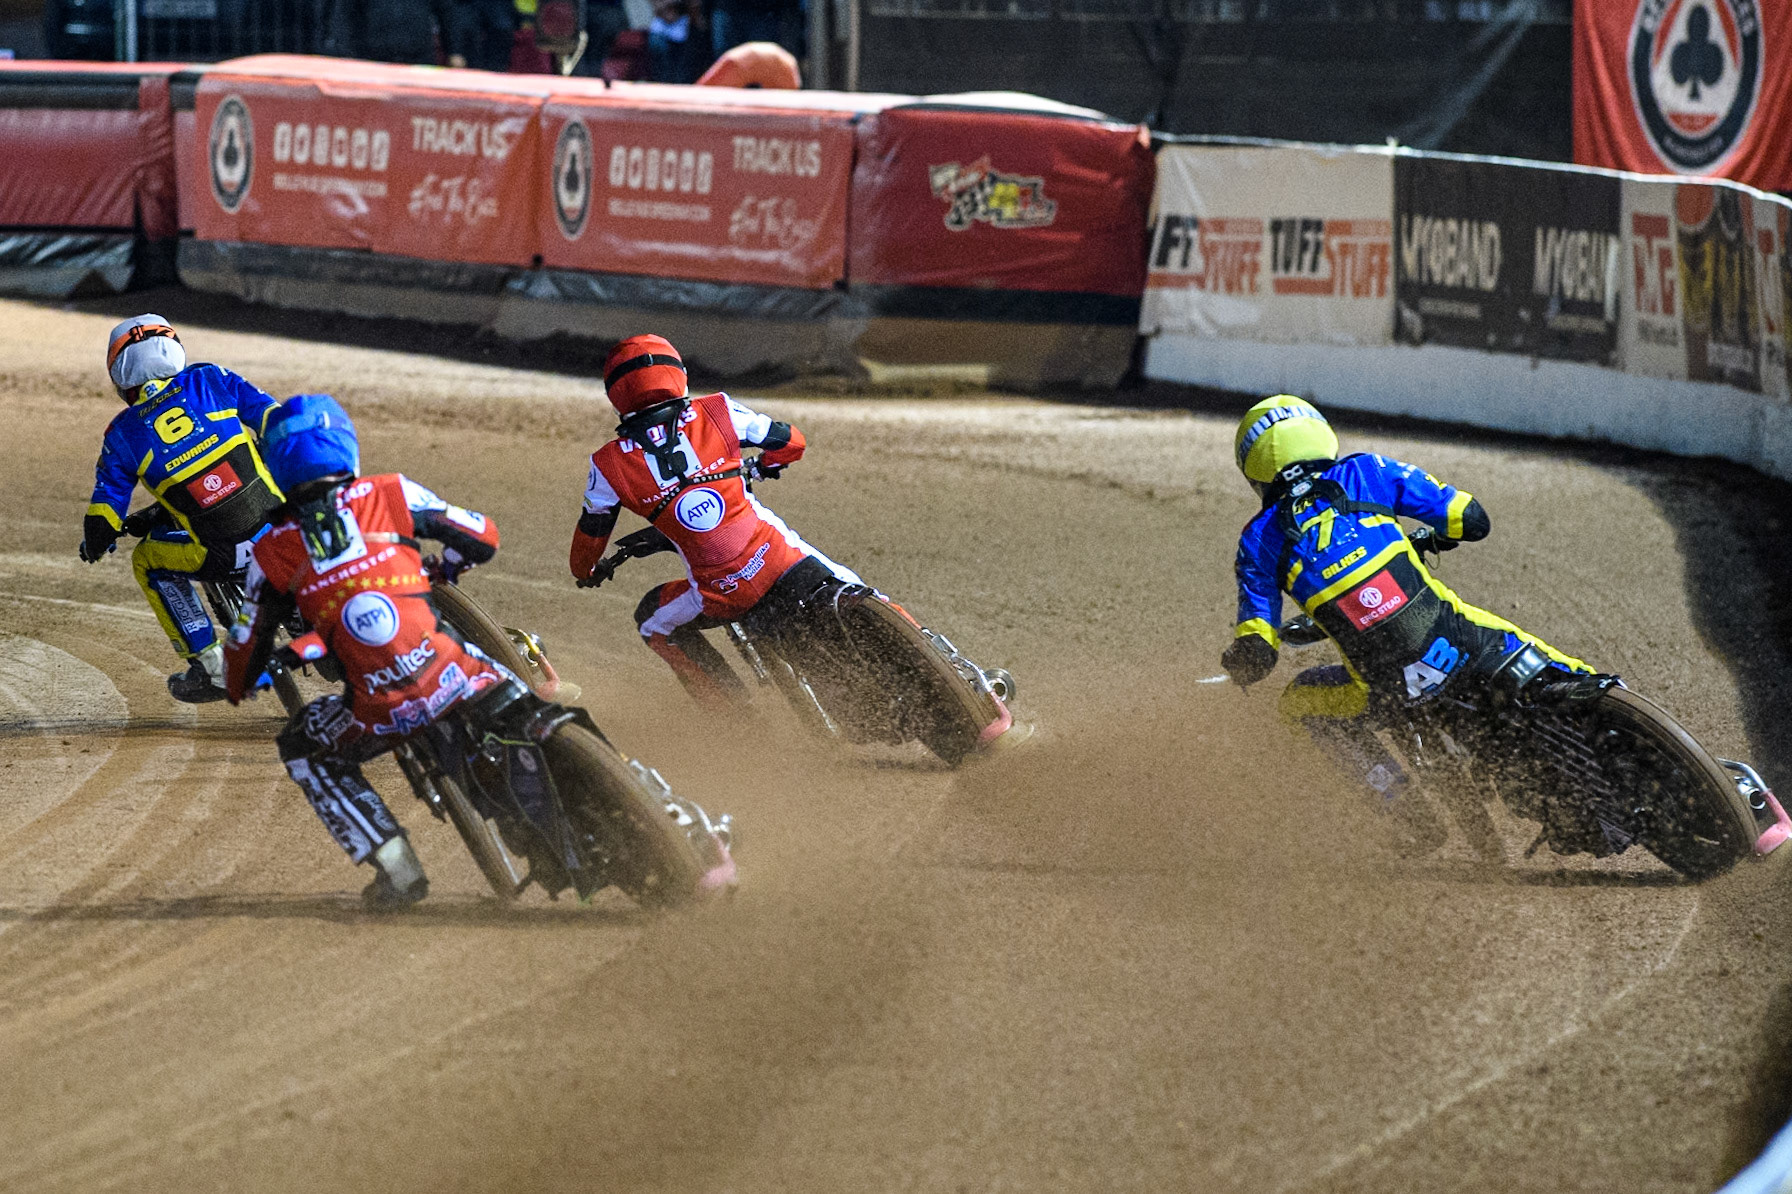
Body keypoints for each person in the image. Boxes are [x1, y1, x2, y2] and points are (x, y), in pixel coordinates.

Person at [1220, 395, 1592, 836]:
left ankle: (1404, 812)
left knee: (1298, 703)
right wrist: (1435, 534)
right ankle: (1601, 696)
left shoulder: (1257, 540)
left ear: (1255, 471)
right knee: (1547, 660)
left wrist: (1239, 664)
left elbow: (1258, 650)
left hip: (1383, 688)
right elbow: (1471, 519)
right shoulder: (1368, 470)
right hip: (1459, 642)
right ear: (1320, 435)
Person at [222, 394, 506, 907]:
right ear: (346, 445)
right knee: (512, 684)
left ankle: (399, 870)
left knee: (304, 746)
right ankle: (651, 793)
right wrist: (450, 567)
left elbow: (244, 645)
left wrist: (239, 683)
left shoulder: (271, 550)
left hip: (375, 712)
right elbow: (483, 536)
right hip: (461, 673)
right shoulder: (393, 490)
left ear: (276, 468)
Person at [568, 333, 856, 711]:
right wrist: (761, 467)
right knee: (851, 586)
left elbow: (589, 542)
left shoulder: (607, 464)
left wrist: (589, 570)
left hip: (722, 594)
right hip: (782, 560)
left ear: (615, 396)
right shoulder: (719, 409)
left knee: (653, 623)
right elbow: (791, 443)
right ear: (679, 375)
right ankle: (922, 639)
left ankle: (734, 715)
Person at [81, 315, 285, 703]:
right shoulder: (210, 378)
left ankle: (212, 667)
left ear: (121, 378)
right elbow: (276, 420)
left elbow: (103, 519)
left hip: (222, 554)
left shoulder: (121, 434)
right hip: (283, 530)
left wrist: (94, 544)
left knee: (147, 561)